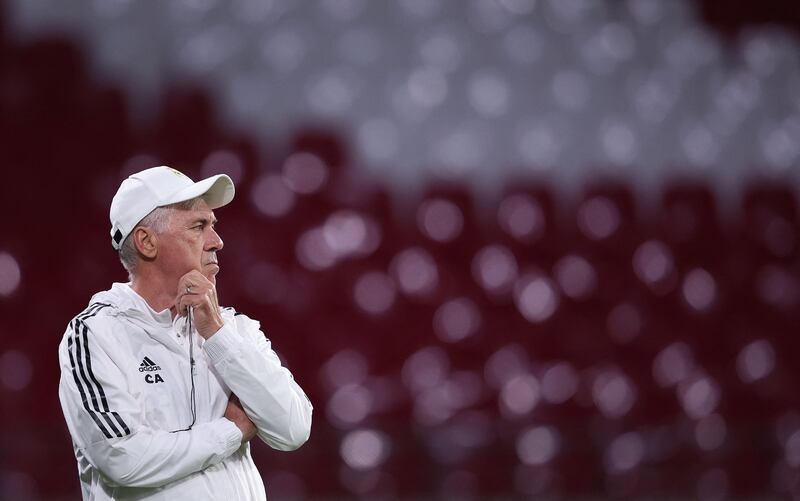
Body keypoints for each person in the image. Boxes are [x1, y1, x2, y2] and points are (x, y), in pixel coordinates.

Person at [58, 166, 313, 500]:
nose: (217, 241)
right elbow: (123, 458)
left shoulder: (235, 330)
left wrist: (217, 334)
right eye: (199, 226)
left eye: (213, 226)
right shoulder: (95, 335)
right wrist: (231, 430)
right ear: (147, 242)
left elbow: (293, 429)